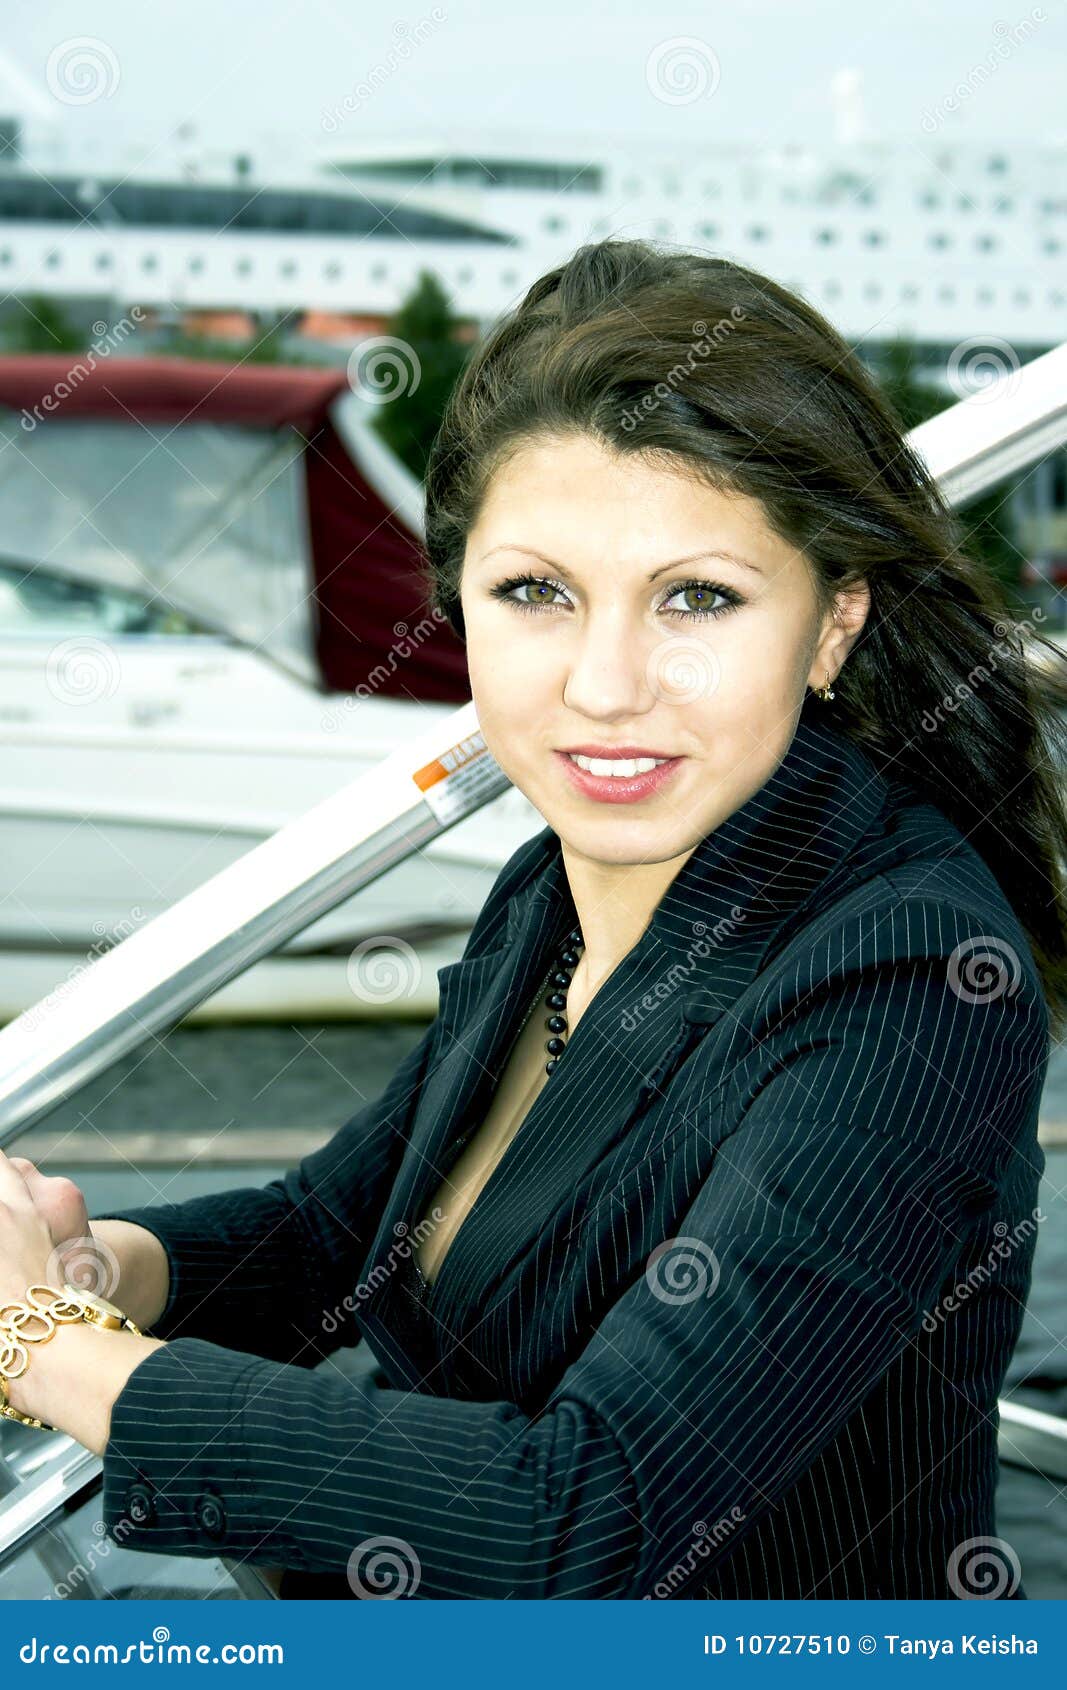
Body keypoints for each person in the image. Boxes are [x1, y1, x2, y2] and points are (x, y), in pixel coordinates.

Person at [1, 238, 1064, 1601]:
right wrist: (100, 1262)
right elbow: (333, 1230)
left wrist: (54, 1347)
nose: (605, 684)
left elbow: (591, 1516)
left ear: (833, 622)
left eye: (698, 597)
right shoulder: (560, 885)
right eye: (536, 593)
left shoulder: (906, 974)